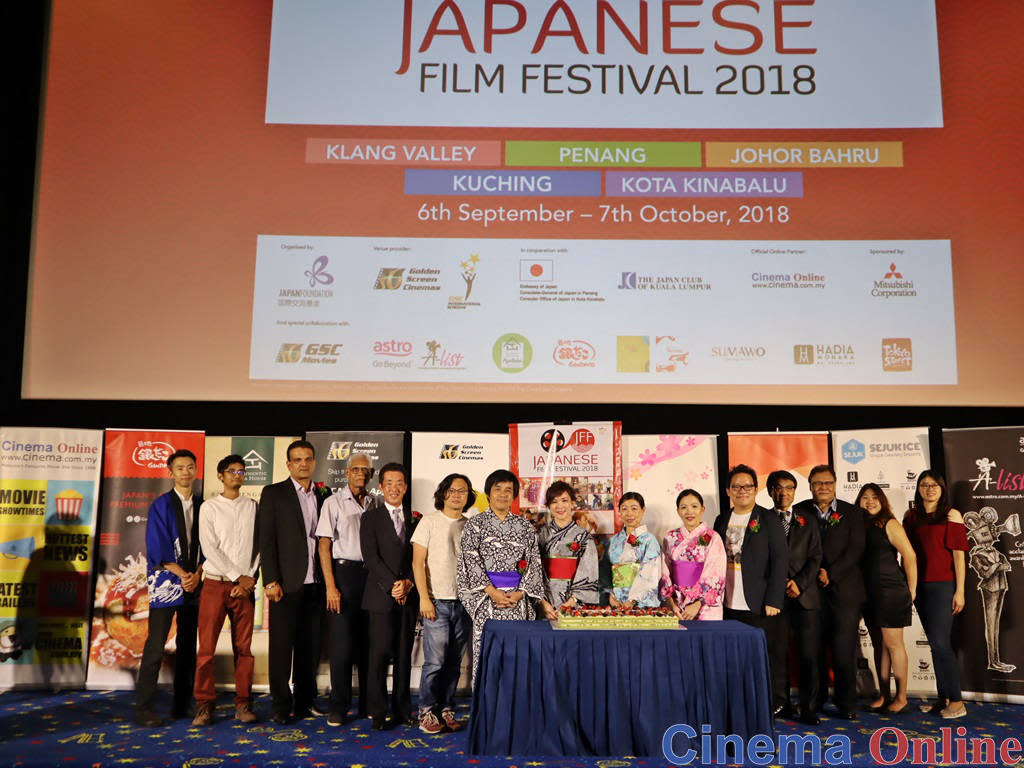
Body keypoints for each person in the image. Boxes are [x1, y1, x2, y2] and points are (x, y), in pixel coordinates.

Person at [258, 439, 331, 724]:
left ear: (314, 462)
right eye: (297, 460)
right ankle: (280, 705)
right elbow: (267, 540)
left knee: (309, 648)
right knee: (281, 648)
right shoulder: (274, 493)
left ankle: (304, 702)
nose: (303, 464)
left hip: (317, 584)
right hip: (285, 584)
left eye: (308, 459)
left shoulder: (324, 495)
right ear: (288, 464)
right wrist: (271, 579)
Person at [135, 449, 204, 727]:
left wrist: (197, 573)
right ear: (170, 472)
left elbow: (209, 545)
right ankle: (144, 707)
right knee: (156, 645)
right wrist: (182, 574)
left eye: (190, 467)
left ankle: (181, 704)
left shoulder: (203, 505)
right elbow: (157, 546)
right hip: (166, 581)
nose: (186, 472)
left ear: (196, 470)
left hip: (195, 582)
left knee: (188, 645)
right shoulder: (161, 505)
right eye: (180, 468)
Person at [457, 469, 544, 684]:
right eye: (498, 489)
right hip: (486, 600)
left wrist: (521, 593)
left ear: (514, 495)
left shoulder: (525, 526)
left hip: (517, 601)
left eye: (508, 490)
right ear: (488, 493)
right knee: (488, 656)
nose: (503, 494)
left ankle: (516, 709)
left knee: (518, 656)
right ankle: (487, 713)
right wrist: (492, 592)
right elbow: (470, 561)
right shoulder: (474, 525)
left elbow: (533, 561)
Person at [192, 454, 259, 726]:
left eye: (241, 472)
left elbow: (259, 547)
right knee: (206, 649)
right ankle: (204, 705)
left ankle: (243, 704)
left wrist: (249, 578)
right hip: (215, 583)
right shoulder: (209, 507)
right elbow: (209, 549)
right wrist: (236, 577)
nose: (237, 475)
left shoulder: (254, 507)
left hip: (245, 588)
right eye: (231, 471)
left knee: (244, 650)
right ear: (220, 476)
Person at [793, 464, 865, 720]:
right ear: (810, 486)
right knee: (812, 650)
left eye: (827, 483)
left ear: (835, 485)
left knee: (843, 649)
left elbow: (856, 549)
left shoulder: (853, 512)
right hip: (810, 593)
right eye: (817, 483)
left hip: (844, 592)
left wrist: (829, 573)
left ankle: (846, 704)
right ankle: (814, 701)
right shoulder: (798, 511)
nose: (822, 487)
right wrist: (813, 574)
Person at [410, 473, 474, 734]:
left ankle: (446, 708)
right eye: (452, 490)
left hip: (464, 603)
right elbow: (417, 562)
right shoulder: (429, 521)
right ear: (443, 493)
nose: (457, 495)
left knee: (453, 662)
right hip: (436, 601)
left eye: (463, 490)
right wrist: (424, 597)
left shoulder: (470, 525)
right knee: (434, 662)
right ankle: (426, 711)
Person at [903, 470, 968, 719]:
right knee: (934, 644)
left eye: (934, 485)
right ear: (918, 488)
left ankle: (958, 701)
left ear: (942, 489)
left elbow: (959, 556)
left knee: (942, 643)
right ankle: (944, 698)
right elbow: (908, 554)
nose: (929, 489)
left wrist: (959, 591)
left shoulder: (951, 515)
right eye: (924, 485)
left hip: (943, 586)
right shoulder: (911, 517)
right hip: (920, 587)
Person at [316, 453, 375, 726]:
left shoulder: (376, 503)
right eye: (356, 469)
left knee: (368, 644)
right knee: (341, 646)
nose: (361, 474)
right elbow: (324, 545)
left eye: (366, 470)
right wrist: (331, 586)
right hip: (343, 575)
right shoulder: (333, 502)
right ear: (347, 472)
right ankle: (338, 706)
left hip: (371, 577)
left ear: (371, 474)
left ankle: (367, 704)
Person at [360, 462, 419, 730]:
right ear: (381, 487)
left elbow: (418, 558)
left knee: (404, 655)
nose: (394, 488)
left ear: (405, 487)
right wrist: (393, 584)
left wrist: (407, 582)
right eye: (389, 483)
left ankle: (402, 709)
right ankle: (378, 711)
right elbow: (370, 557)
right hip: (381, 596)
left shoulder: (415, 518)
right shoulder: (369, 517)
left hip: (407, 597)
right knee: (379, 656)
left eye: (399, 483)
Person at [767, 470, 822, 726]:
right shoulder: (762, 519)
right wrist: (779, 585)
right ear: (769, 491)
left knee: (809, 655)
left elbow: (815, 557)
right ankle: (782, 704)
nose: (783, 493)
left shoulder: (808, 520)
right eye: (778, 488)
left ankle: (809, 707)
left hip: (805, 597)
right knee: (778, 654)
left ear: (795, 491)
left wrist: (799, 583)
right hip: (775, 600)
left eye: (789, 488)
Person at [856, 483, 917, 715]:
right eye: (865, 497)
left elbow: (910, 556)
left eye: (875, 497)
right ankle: (884, 695)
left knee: (893, 645)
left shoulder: (890, 523)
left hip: (891, 591)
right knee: (879, 645)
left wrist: (912, 589)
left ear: (882, 501)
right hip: (868, 593)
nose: (870, 501)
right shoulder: (858, 525)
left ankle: (901, 697)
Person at [536, 481, 600, 620]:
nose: (560, 506)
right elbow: (532, 571)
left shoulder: (584, 538)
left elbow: (589, 573)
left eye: (564, 500)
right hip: (544, 603)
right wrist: (543, 602)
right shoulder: (540, 535)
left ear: (572, 503)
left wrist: (571, 602)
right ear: (548, 506)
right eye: (554, 502)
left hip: (573, 604)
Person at [659, 489, 726, 620]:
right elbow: (665, 571)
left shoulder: (713, 537)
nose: (689, 512)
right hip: (677, 605)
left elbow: (716, 574)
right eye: (684, 507)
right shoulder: (671, 537)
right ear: (678, 511)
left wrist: (697, 604)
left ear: (702, 509)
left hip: (704, 606)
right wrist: (671, 602)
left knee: (706, 639)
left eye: (694, 506)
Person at [604, 492, 662, 608]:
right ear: (619, 512)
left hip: (642, 603)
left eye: (634, 508)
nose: (629, 513)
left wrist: (633, 600)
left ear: (643, 510)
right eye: (624, 509)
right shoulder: (613, 541)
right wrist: (610, 595)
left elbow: (651, 573)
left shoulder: (650, 540)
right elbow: (605, 571)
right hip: (617, 602)